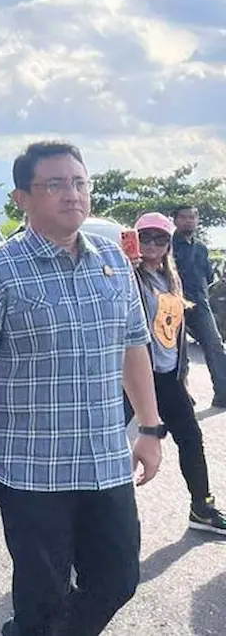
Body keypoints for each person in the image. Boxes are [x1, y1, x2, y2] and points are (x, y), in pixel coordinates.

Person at [0, 141, 163, 636]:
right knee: (42, 597)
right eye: (55, 184)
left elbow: (134, 347)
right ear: (22, 197)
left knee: (118, 579)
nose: (72, 194)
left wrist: (150, 428)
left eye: (79, 182)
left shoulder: (111, 261)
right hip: (32, 470)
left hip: (105, 460)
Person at [127, 213, 226, 534]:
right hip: (130, 377)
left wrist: (182, 374)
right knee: (109, 446)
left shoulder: (171, 279)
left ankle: (201, 507)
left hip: (168, 376)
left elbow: (177, 332)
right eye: (146, 237)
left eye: (160, 239)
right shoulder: (129, 276)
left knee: (191, 439)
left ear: (169, 244)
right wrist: (126, 263)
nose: (153, 245)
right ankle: (93, 524)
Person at [171, 205, 226, 407]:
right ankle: (181, 396)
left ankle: (222, 393)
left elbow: (208, 276)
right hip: (174, 304)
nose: (188, 221)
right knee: (178, 352)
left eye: (192, 217)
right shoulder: (167, 246)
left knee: (215, 345)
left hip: (201, 305)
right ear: (175, 220)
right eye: (183, 217)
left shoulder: (201, 248)